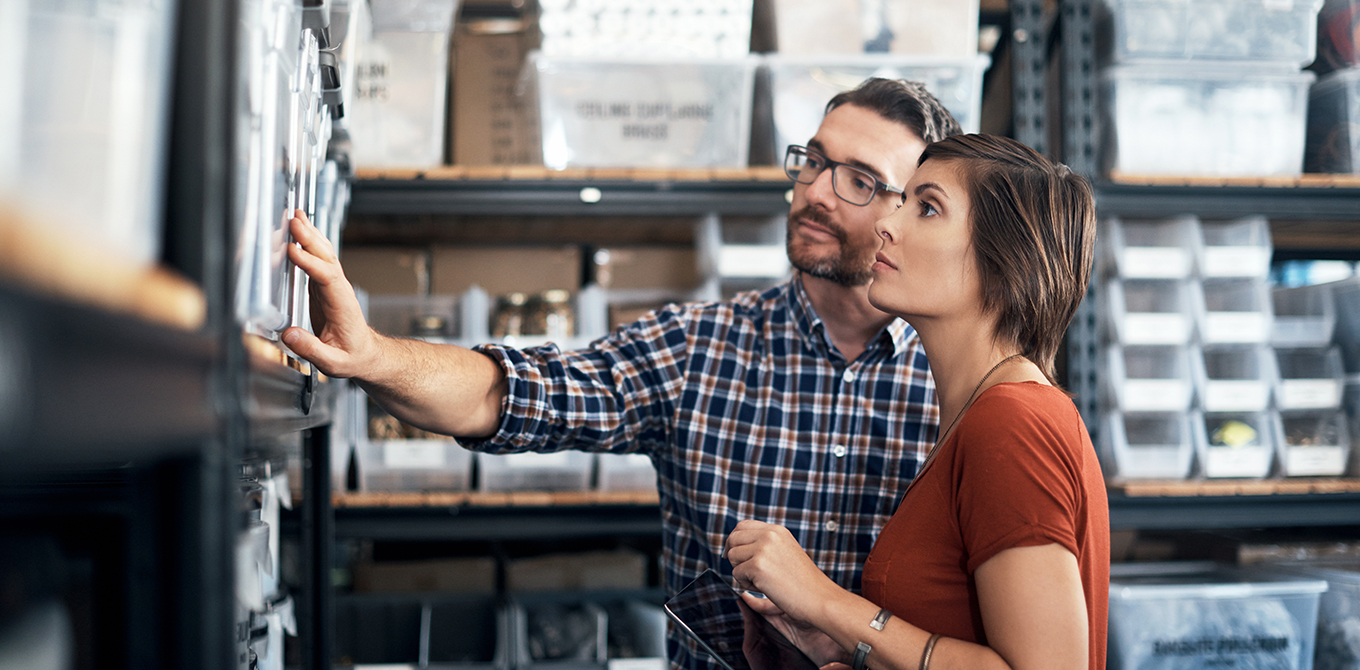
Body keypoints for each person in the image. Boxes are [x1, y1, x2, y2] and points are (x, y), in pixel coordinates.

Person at [281, 78, 961, 670]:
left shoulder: (958, 384)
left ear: (917, 213)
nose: (817, 192)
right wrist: (371, 354)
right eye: (813, 161)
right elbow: (510, 392)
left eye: (861, 181)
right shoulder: (701, 346)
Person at [725, 134, 1109, 670]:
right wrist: (837, 643)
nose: (888, 222)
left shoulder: (1011, 423)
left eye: (927, 207)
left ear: (1006, 261)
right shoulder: (977, 414)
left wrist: (824, 599)